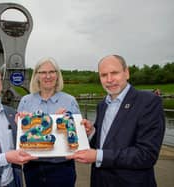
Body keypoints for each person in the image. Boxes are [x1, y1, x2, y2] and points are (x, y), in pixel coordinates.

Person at [67, 55, 165, 187]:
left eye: (114, 73)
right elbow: (104, 143)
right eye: (103, 75)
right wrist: (91, 132)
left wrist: (98, 156)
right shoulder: (102, 105)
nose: (109, 80)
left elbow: (146, 155)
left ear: (127, 73)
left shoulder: (149, 102)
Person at [17, 57, 81, 187]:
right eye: (43, 72)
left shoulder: (69, 101)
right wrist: (19, 123)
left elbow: (79, 134)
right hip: (33, 168)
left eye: (52, 72)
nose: (48, 76)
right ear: (36, 76)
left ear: (57, 75)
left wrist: (67, 123)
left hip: (62, 168)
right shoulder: (25, 101)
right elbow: (19, 136)